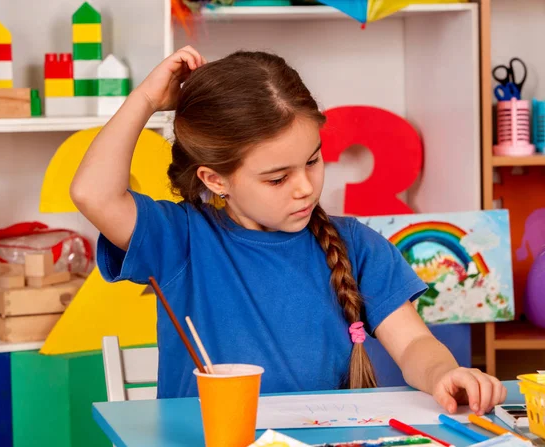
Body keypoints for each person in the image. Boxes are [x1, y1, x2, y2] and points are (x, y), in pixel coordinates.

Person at [70, 46, 507, 414]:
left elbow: (414, 344)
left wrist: (443, 373)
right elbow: (92, 193)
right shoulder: (181, 238)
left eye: (313, 161)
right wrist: (146, 99)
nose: (305, 188)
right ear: (215, 180)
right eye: (278, 178)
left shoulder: (355, 245)